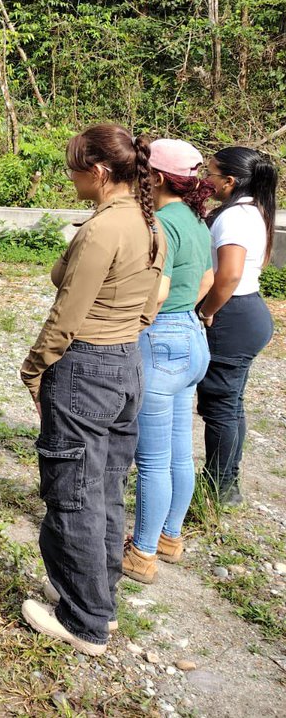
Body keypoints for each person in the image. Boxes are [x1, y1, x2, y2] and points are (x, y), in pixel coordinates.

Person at [19, 124, 164, 656]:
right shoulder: (149, 223)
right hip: (126, 362)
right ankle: (100, 603)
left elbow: (67, 313)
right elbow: (152, 301)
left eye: (74, 168)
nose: (70, 177)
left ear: (99, 171)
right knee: (103, 487)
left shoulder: (103, 230)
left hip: (84, 366)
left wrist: (35, 368)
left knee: (72, 492)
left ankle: (83, 621)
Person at [122, 140, 214, 584]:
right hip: (193, 339)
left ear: (155, 178)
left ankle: (141, 554)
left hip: (162, 344)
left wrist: (140, 322)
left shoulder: (158, 223)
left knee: (153, 460)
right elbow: (209, 279)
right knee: (180, 448)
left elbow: (157, 291)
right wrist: (182, 315)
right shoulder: (196, 221)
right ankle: (169, 538)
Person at [194, 147, 279, 506]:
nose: (205, 180)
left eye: (211, 174)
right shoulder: (252, 211)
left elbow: (229, 275)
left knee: (221, 407)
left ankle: (221, 485)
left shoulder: (234, 218)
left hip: (232, 314)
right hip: (246, 312)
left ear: (229, 181)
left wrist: (207, 311)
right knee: (230, 404)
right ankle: (226, 481)